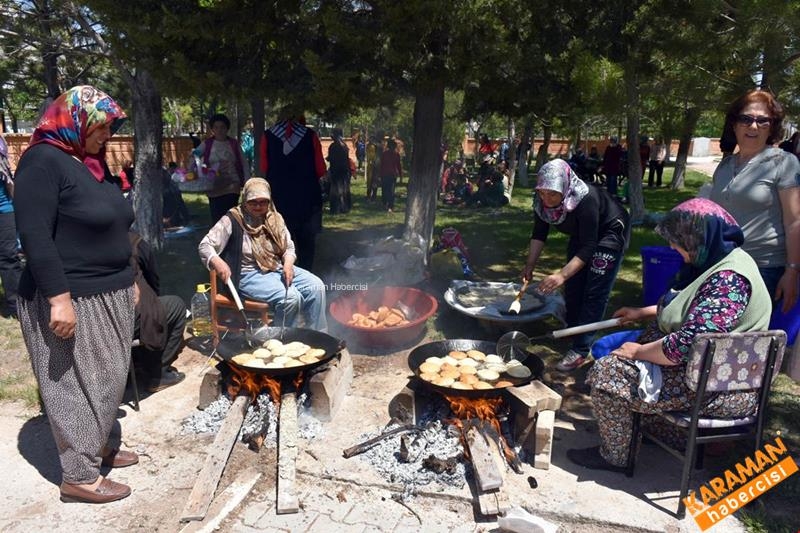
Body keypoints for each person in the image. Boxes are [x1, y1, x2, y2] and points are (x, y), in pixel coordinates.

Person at [567, 198, 772, 472]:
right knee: (627, 359)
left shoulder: (730, 280)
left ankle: (616, 456)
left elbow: (686, 346)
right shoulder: (718, 260)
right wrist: (642, 313)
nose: (672, 247)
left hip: (721, 388)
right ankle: (666, 435)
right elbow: (690, 307)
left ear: (698, 237)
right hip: (704, 375)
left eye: (678, 241)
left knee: (608, 373)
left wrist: (637, 352)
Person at [14, 85, 138, 503]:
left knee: (106, 379)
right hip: (71, 295)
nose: (108, 136)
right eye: (101, 127)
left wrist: (130, 277)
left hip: (110, 291)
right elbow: (34, 234)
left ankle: (98, 444)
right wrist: (58, 298)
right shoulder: (42, 162)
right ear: (75, 121)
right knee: (71, 383)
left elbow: (117, 226)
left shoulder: (89, 164)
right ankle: (79, 475)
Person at [522, 159, 630, 371]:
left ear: (565, 187)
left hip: (609, 233)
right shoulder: (541, 200)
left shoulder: (585, 198)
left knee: (594, 291)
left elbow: (590, 246)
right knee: (573, 286)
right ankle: (572, 331)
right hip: (582, 234)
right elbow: (539, 233)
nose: (547, 198)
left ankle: (580, 349)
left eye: (552, 194)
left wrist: (561, 274)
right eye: (542, 193)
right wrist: (530, 265)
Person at [709, 89, 800, 314]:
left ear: (772, 126)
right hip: (723, 265)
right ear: (734, 124)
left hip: (763, 269)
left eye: (763, 121)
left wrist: (792, 271)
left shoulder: (783, 162)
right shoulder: (724, 166)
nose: (753, 126)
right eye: (746, 119)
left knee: (743, 343)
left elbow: (794, 222)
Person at [198, 178, 327, 331]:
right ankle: (283, 340)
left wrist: (288, 264)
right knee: (291, 298)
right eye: (253, 202)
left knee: (316, 286)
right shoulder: (232, 219)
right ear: (245, 200)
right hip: (248, 274)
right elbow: (205, 245)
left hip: (276, 268)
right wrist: (218, 262)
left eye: (263, 202)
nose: (258, 206)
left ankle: (317, 335)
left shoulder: (275, 219)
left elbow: (289, 247)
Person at [259, 115, 326, 270]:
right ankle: (306, 276)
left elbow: (264, 167)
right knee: (306, 243)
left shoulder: (268, 136)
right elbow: (320, 168)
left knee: (280, 240)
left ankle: (283, 275)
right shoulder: (310, 136)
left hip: (280, 198)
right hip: (307, 197)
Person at [130, 232, 187, 392]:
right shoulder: (133, 243)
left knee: (152, 309)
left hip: (90, 324)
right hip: (122, 320)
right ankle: (157, 374)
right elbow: (153, 278)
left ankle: (138, 364)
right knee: (176, 305)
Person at [196, 113, 249, 224]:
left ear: (227, 128)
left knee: (230, 217)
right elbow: (195, 155)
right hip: (214, 186)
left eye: (222, 127)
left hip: (232, 186)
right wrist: (197, 167)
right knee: (217, 218)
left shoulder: (233, 144)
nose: (219, 130)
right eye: (216, 127)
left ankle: (232, 238)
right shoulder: (207, 144)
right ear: (212, 129)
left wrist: (247, 182)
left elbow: (244, 163)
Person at [0, 133, 21, 318]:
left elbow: (7, 178)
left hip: (5, 207)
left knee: (9, 255)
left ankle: (15, 305)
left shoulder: (1, 144)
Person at [327, 128, 352, 214]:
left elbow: (331, 158)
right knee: (344, 189)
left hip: (336, 171)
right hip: (344, 170)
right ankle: (345, 207)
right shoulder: (344, 145)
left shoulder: (333, 146)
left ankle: (337, 208)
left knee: (336, 190)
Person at [380, 138, 402, 213]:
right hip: (390, 175)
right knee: (390, 191)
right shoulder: (395, 154)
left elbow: (382, 165)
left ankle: (386, 204)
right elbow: (399, 166)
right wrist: (400, 175)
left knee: (386, 190)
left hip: (387, 174)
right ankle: (389, 206)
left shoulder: (385, 154)